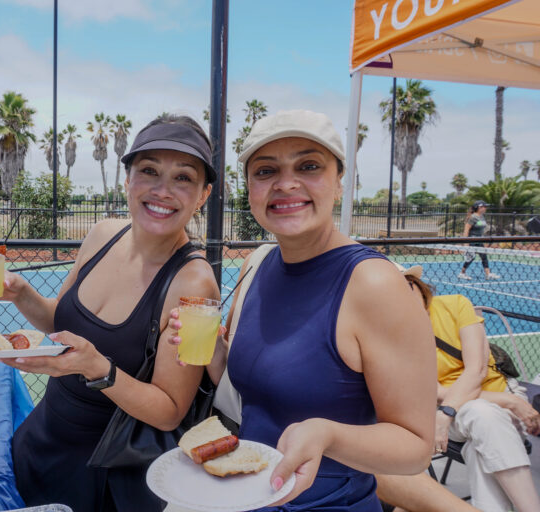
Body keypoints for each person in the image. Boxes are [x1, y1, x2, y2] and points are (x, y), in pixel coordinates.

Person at [172, 110, 437, 511]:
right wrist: (211, 350)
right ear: (250, 189)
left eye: (309, 166)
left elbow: (415, 448)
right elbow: (254, 395)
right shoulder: (257, 264)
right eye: (265, 171)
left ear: (340, 182)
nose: (286, 183)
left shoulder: (374, 284)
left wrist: (328, 435)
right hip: (246, 497)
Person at [0, 114, 220, 512]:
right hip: (40, 442)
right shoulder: (103, 234)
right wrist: (20, 294)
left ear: (203, 195)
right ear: (128, 180)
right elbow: (60, 323)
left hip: (103, 476)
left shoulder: (193, 283)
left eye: (183, 177)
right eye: (149, 171)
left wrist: (98, 369)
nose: (162, 190)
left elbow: (170, 412)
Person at [386, 265, 540, 512]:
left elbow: (476, 370)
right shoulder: (393, 337)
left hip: (482, 404)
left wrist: (447, 413)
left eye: (406, 285)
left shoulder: (456, 304)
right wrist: (509, 402)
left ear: (417, 284)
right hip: (454, 412)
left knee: (479, 445)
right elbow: (437, 393)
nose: (402, 296)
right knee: (481, 413)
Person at [459, 200, 500, 280]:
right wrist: (466, 243)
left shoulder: (482, 216)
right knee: (471, 257)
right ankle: (462, 273)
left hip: (479, 240)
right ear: (478, 207)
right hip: (472, 240)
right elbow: (466, 229)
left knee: (484, 256)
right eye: (483, 207)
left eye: (485, 207)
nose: (485, 208)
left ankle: (488, 274)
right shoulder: (473, 217)